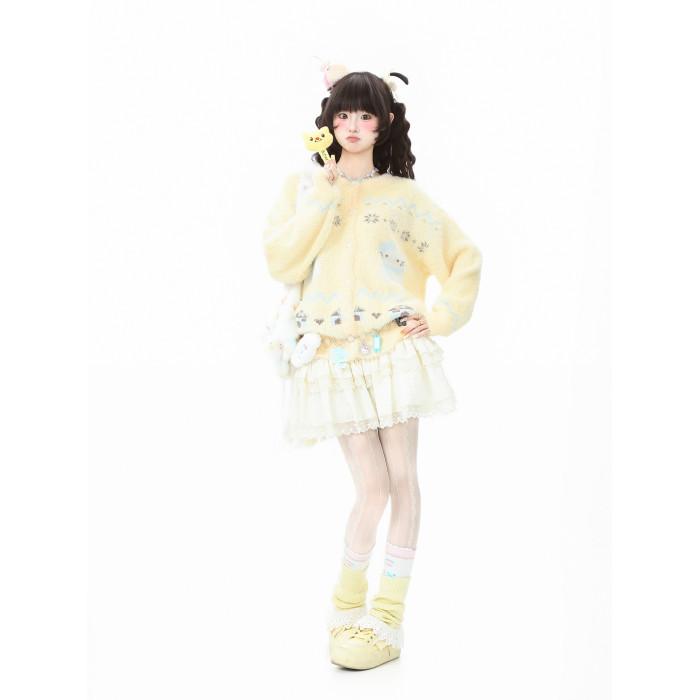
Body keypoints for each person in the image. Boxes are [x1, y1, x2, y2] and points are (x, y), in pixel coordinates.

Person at [261, 69, 483, 670]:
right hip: (333, 357)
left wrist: (439, 316)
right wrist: (324, 192)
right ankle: (345, 604)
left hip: (393, 352)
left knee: (403, 479)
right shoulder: (303, 188)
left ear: (384, 123)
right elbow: (282, 261)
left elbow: (464, 256)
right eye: (343, 114)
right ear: (328, 122)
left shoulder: (403, 198)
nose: (353, 126)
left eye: (365, 115)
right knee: (372, 486)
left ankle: (387, 617)